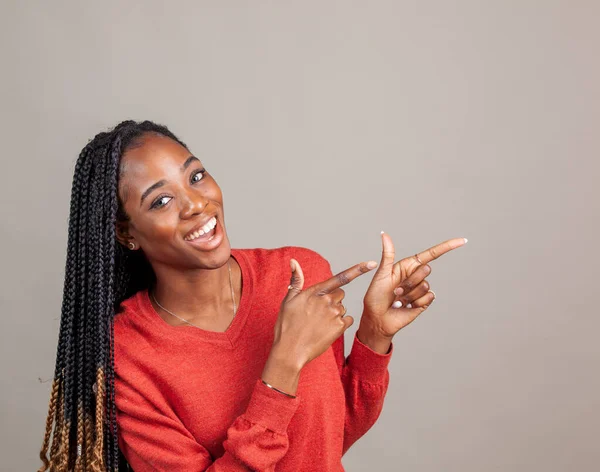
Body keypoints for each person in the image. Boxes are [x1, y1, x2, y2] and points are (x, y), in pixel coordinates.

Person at [38, 120, 466, 471]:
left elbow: (328, 439)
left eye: (197, 176)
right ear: (126, 232)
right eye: (162, 200)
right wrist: (283, 364)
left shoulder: (297, 274)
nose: (197, 204)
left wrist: (373, 336)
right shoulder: (126, 357)